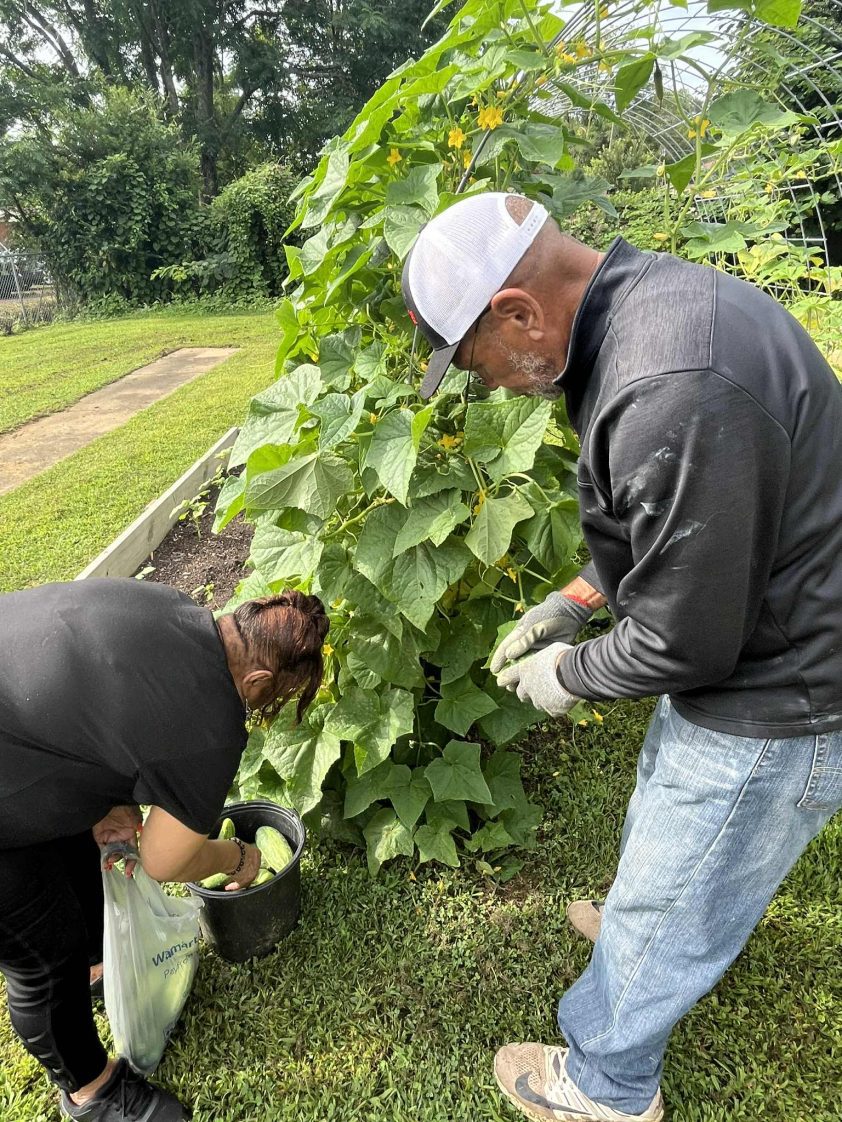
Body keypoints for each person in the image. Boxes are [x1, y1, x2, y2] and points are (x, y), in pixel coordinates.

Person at [401, 192, 842, 1122]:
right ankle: (655, 923)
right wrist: (577, 600)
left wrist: (568, 675)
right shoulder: (643, 311)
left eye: (481, 366)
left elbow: (688, 639)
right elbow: (684, 523)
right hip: (769, 629)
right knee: (669, 824)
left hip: (784, 688)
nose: (495, 386)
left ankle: (605, 1083)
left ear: (518, 312)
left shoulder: (669, 385)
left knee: (695, 847)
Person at [0, 579, 328, 1122]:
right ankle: (93, 1092)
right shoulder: (214, 721)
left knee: (68, 848)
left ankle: (97, 966)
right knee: (42, 951)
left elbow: (85, 704)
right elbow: (164, 860)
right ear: (260, 678)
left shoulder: (173, 608)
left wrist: (105, 798)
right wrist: (236, 858)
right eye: (276, 697)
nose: (267, 705)